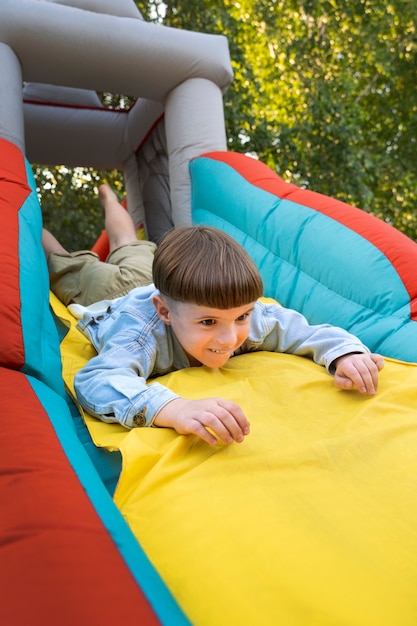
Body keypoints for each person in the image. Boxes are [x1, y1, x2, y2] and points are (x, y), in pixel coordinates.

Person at [69, 223, 384, 447]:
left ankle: (111, 201)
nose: (230, 338)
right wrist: (175, 409)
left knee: (130, 244)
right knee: (71, 263)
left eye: (242, 317)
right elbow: (96, 381)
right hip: (110, 293)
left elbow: (300, 330)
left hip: (159, 283)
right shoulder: (141, 336)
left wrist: (345, 353)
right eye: (208, 322)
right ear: (165, 312)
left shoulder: (244, 315)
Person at [42, 184, 156, 306]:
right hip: (107, 301)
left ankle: (110, 199)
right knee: (59, 259)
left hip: (150, 283)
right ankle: (25, 222)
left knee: (125, 240)